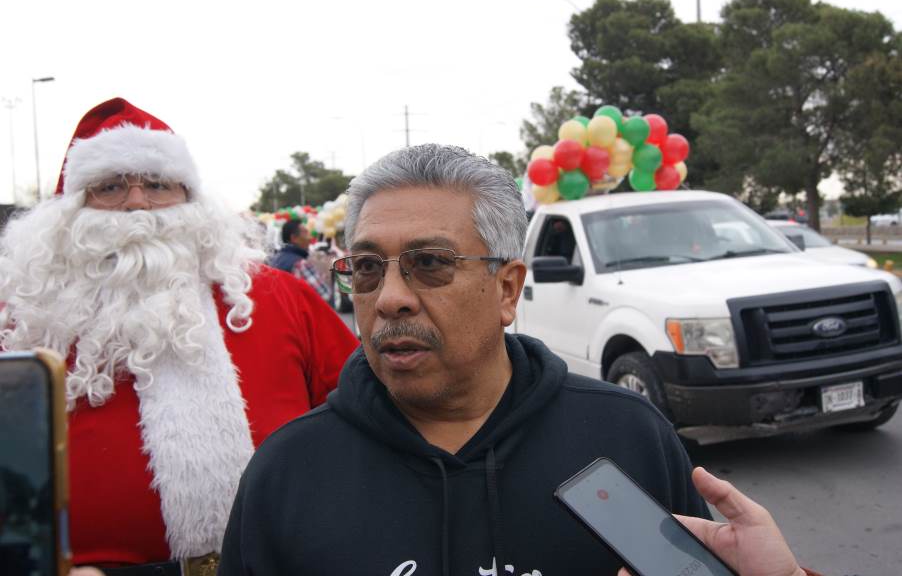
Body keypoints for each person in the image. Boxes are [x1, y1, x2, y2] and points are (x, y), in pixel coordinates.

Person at [218, 144, 812, 575]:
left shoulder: (626, 437)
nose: (390, 297)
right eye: (368, 268)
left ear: (507, 289)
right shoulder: (289, 471)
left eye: (430, 262)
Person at [0, 98, 359, 572]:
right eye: (108, 186)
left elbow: (370, 415)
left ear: (191, 197)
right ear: (68, 211)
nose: (135, 204)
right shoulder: (20, 318)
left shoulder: (279, 298)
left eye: (156, 184)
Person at [269, 219, 332, 301]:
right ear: (294, 238)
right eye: (306, 233)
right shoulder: (300, 264)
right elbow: (324, 295)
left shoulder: (275, 259)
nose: (310, 238)